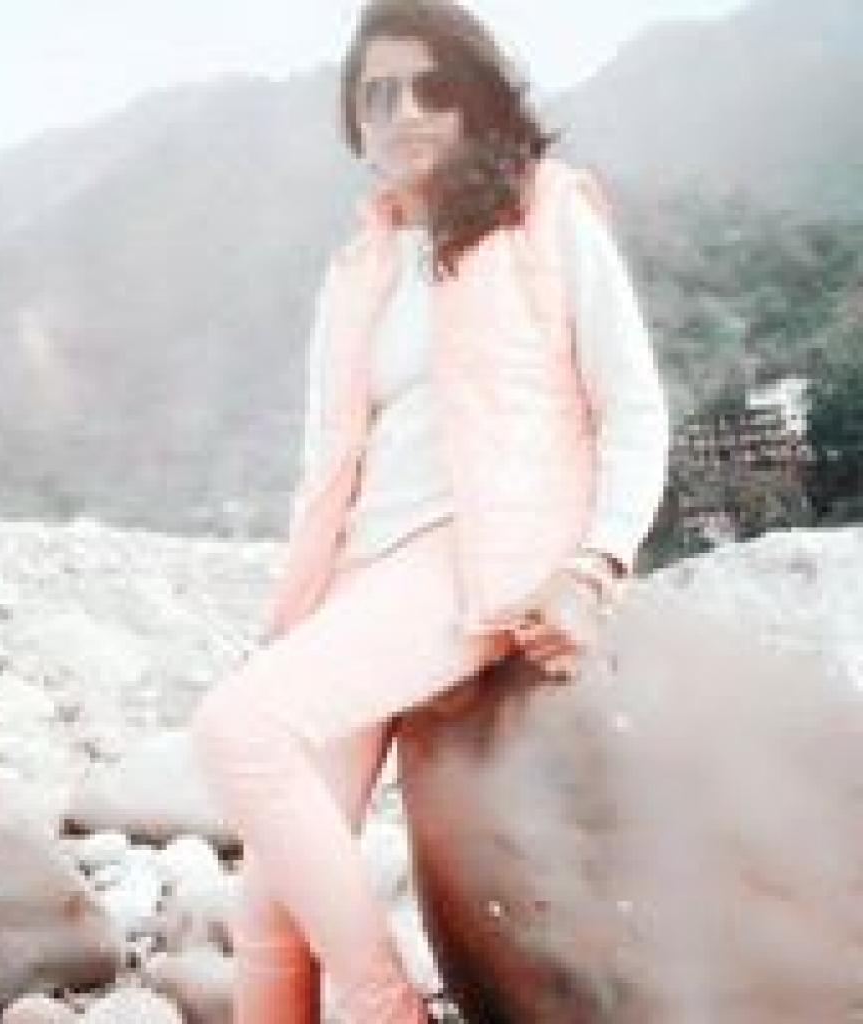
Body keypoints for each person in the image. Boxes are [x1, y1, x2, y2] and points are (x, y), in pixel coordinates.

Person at [187, 1, 670, 1021]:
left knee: (237, 726)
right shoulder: (361, 262)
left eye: (431, 87)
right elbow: (330, 459)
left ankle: (383, 1004)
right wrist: (297, 615)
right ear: (355, 121)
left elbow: (632, 407)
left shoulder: (545, 212)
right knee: (268, 912)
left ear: (476, 99)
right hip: (364, 577)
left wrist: (593, 566)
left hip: (476, 554)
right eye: (378, 94)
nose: (404, 111)